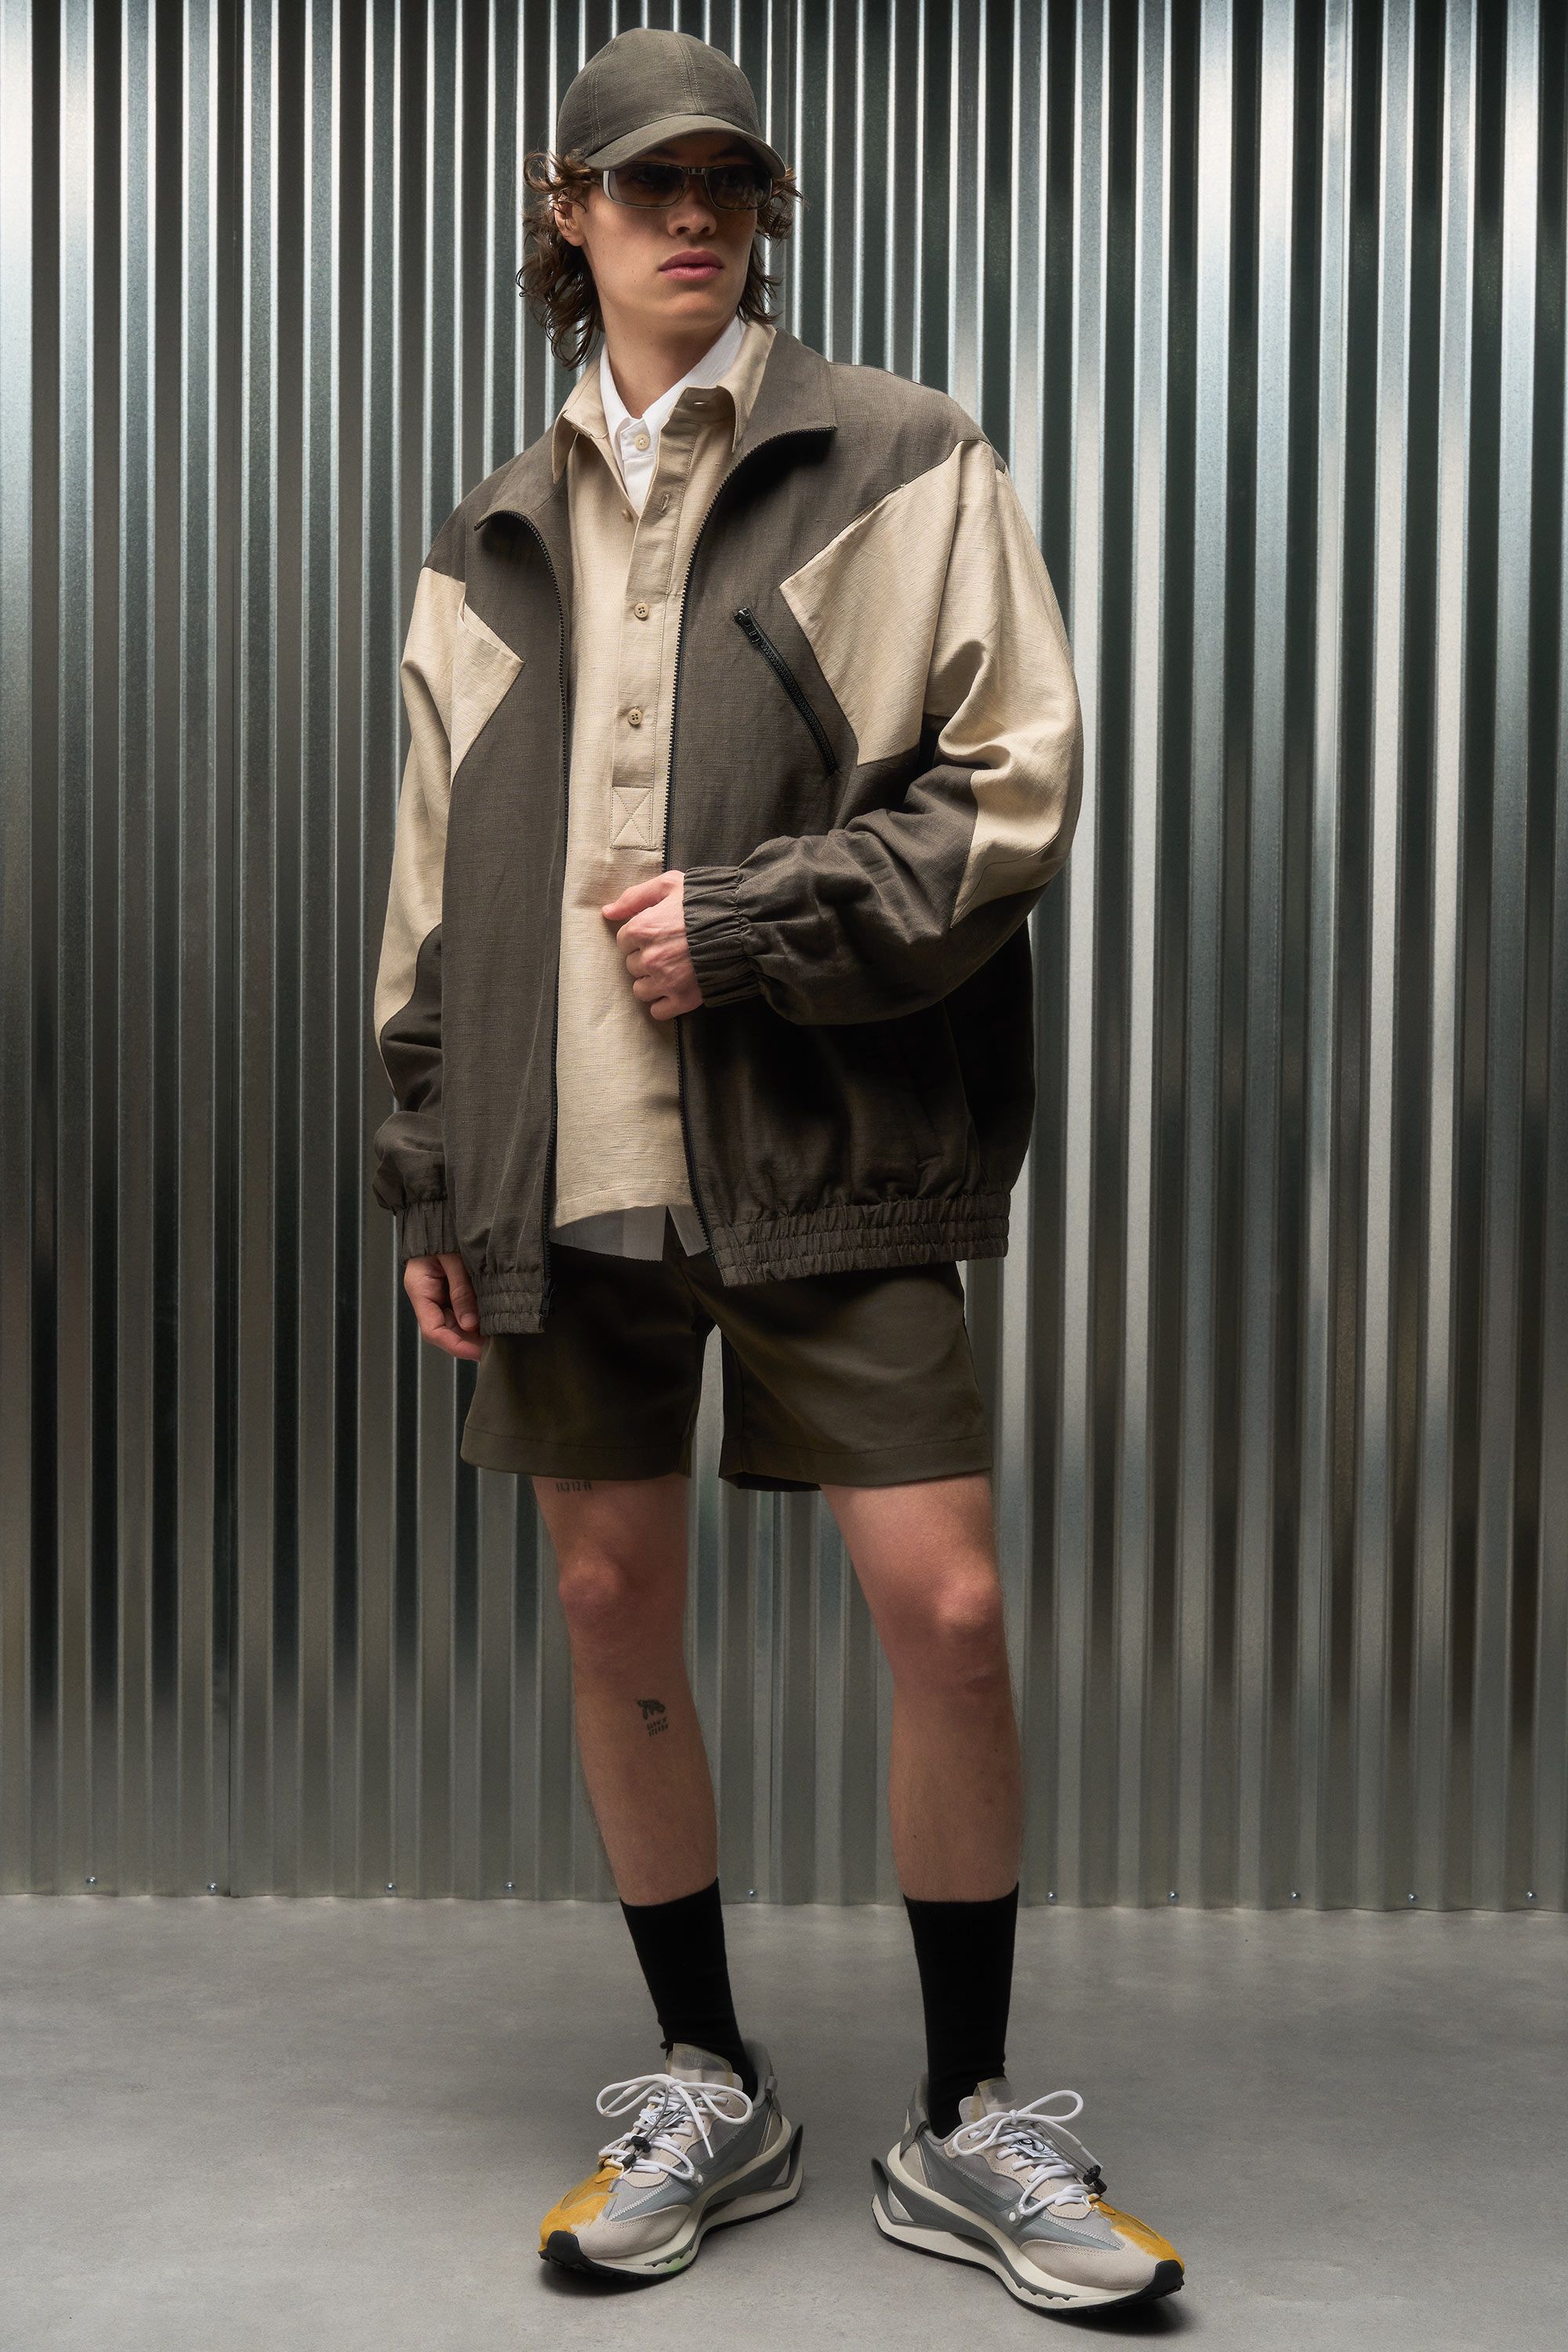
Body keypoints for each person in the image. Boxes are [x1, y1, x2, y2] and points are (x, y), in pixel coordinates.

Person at [369, 23, 1181, 2318]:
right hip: (560, 1161)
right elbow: (428, 894)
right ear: (569, 215)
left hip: (834, 1144)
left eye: (729, 183)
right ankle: (705, 2082)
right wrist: (429, 1167)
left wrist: (756, 923)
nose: (695, 218)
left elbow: (1014, 785)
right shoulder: (488, 538)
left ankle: (969, 2118)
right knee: (608, 1605)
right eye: (650, 185)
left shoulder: (902, 457)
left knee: (951, 1614)